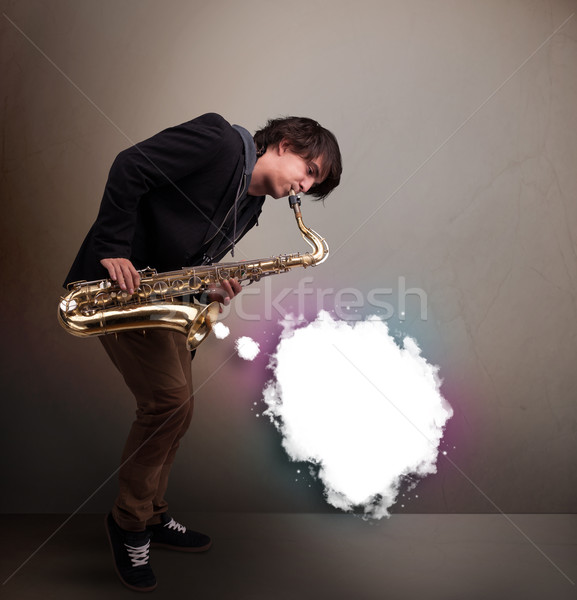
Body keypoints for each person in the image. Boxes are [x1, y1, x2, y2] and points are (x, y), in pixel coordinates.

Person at [63, 112, 342, 592]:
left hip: (165, 301)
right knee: (167, 404)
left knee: (179, 412)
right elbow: (130, 165)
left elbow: (186, 259)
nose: (304, 187)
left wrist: (208, 289)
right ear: (285, 142)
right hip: (116, 291)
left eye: (313, 185)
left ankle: (151, 514)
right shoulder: (217, 140)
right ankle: (129, 524)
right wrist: (112, 245)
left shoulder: (251, 207)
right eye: (309, 170)